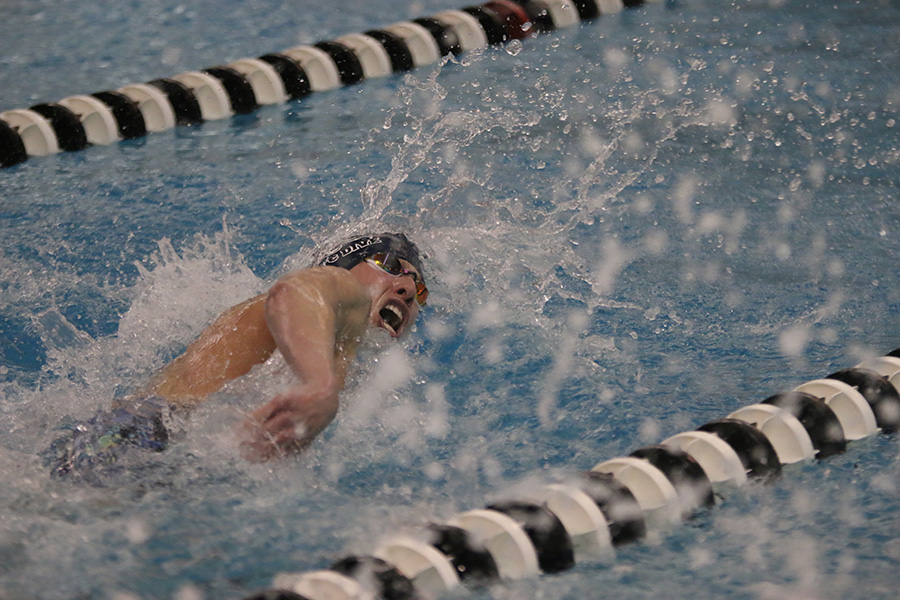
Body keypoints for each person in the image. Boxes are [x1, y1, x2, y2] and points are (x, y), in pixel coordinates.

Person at [44, 233, 429, 476]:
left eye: (420, 288)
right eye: (390, 266)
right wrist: (319, 385)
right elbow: (293, 291)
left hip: (177, 452)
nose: (407, 288)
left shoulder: (341, 350)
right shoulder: (340, 290)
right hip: (148, 430)